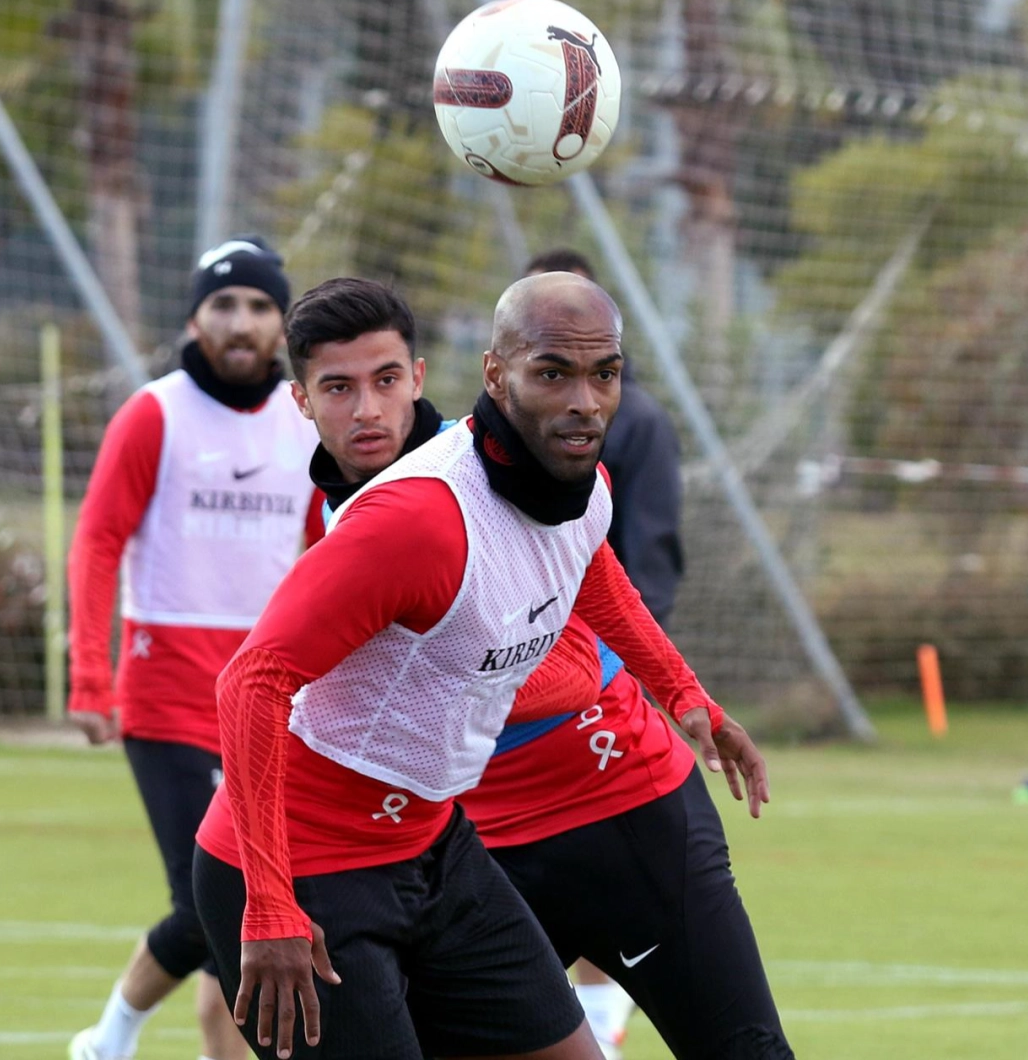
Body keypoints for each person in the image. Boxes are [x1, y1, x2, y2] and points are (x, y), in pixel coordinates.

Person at [194, 273, 763, 1059]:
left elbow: (590, 569)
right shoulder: (412, 520)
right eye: (554, 373)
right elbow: (251, 682)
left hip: (433, 842)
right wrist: (266, 902)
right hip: (311, 859)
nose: (585, 402)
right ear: (496, 375)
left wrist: (685, 695)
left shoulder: (578, 485)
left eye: (604, 374)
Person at [65, 237, 320, 1060]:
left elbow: (328, 552)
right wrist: (90, 677)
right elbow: (97, 542)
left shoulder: (306, 419)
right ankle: (111, 1041)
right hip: (167, 694)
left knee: (249, 905)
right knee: (212, 900)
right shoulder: (155, 413)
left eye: (260, 305)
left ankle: (159, 1046)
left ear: (283, 324)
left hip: (270, 696)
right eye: (224, 304)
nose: (241, 322)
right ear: (193, 319)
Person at [521, 254, 693, 1057]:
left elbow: (650, 552)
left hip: (607, 675)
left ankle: (599, 1027)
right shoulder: (492, 434)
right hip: (520, 683)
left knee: (609, 857)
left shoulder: (640, 423)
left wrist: (640, 664)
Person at [523, 250, 683, 625]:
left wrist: (626, 650)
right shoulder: (505, 418)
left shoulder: (641, 423)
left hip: (598, 640)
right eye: (536, 309)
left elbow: (651, 556)